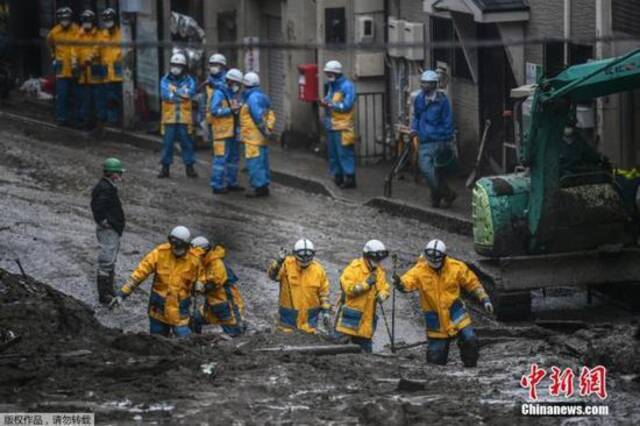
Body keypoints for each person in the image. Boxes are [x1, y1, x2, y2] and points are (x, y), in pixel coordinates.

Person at [393, 239, 493, 367]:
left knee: (470, 340)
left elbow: (472, 283)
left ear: (444, 257)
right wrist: (399, 283)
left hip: (456, 313)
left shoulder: (456, 267)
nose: (433, 263)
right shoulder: (419, 270)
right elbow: (407, 282)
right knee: (435, 360)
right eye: (430, 260)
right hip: (435, 318)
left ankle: (470, 366)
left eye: (436, 261)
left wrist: (484, 299)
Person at [110, 226, 201, 337]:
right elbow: (139, 273)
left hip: (179, 313)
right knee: (157, 342)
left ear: (186, 246)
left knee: (184, 341)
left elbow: (204, 278)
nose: (176, 251)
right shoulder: (160, 253)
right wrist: (123, 293)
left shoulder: (195, 260)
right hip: (158, 310)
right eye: (174, 247)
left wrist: (202, 285)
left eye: (179, 249)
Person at [334, 240, 390, 352]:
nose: (377, 262)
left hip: (366, 323)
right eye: (375, 259)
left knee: (366, 354)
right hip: (348, 322)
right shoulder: (353, 269)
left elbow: (385, 288)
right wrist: (366, 284)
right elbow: (349, 289)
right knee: (336, 351)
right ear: (367, 256)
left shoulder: (379, 272)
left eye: (379, 260)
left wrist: (382, 295)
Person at [412, 70, 456, 208]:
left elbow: (448, 121)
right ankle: (446, 194)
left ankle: (436, 197)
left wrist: (448, 138)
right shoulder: (419, 99)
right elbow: (417, 116)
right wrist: (414, 129)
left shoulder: (442, 101)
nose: (424, 85)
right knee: (426, 169)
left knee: (438, 172)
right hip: (424, 140)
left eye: (427, 83)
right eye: (422, 82)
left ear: (434, 85)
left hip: (440, 140)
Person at [267, 239, 332, 334]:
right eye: (302, 256)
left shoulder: (319, 270)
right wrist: (279, 261)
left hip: (310, 322)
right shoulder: (286, 265)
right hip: (288, 320)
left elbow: (324, 294)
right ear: (294, 254)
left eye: (308, 256)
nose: (305, 259)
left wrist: (326, 312)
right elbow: (272, 275)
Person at [191, 236, 247, 336]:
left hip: (227, 306)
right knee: (194, 320)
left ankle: (241, 326)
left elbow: (213, 284)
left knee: (236, 333)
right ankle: (195, 341)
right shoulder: (202, 264)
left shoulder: (217, 264)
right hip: (211, 306)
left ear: (204, 251)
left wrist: (201, 287)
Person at [90, 157, 125, 305]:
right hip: (109, 229)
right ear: (113, 174)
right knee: (106, 260)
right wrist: (103, 220)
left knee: (110, 259)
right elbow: (97, 206)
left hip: (112, 228)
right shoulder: (105, 188)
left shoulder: (107, 186)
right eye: (119, 173)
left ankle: (109, 290)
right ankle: (104, 295)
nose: (121, 176)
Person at [158, 52, 198, 179]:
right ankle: (165, 168)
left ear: (183, 67)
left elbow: (190, 94)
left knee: (187, 144)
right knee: (167, 144)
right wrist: (181, 94)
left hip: (184, 118)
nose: (175, 68)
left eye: (178, 66)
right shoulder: (164, 80)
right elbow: (165, 96)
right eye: (173, 65)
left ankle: (190, 168)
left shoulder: (190, 80)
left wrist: (174, 93)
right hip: (169, 118)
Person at [320, 60, 357, 189]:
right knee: (333, 154)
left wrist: (330, 105)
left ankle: (349, 178)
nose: (328, 75)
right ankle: (338, 176)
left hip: (343, 126)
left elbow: (347, 105)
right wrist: (324, 101)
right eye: (327, 73)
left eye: (330, 73)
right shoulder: (332, 85)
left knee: (344, 153)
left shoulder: (348, 86)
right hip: (332, 125)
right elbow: (329, 99)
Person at [240, 71, 275, 197]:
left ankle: (259, 188)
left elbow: (257, 117)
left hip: (253, 137)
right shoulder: (262, 96)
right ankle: (264, 186)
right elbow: (271, 113)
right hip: (261, 138)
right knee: (262, 162)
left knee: (254, 163)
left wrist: (263, 129)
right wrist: (268, 129)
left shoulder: (251, 98)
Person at [209, 68, 245, 193]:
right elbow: (214, 111)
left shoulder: (232, 93)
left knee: (233, 158)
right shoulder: (219, 93)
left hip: (233, 131)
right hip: (221, 132)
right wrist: (230, 110)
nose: (238, 87)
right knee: (220, 159)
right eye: (236, 84)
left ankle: (232, 182)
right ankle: (216, 185)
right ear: (230, 81)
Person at [71, 9, 103, 130]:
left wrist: (88, 59)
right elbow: (74, 50)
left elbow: (97, 48)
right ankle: (85, 120)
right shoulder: (79, 35)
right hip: (83, 71)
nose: (87, 24)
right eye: (85, 21)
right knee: (84, 97)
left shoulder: (98, 35)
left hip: (94, 70)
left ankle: (98, 121)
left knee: (97, 97)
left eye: (89, 21)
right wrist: (74, 64)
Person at [47, 7, 79, 126]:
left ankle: (77, 119)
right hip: (61, 67)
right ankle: (62, 118)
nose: (64, 20)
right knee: (62, 94)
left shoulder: (76, 30)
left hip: (74, 66)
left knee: (76, 94)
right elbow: (49, 43)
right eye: (62, 18)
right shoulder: (54, 32)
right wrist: (53, 56)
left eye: (67, 18)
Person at [96, 8, 123, 127]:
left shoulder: (122, 34)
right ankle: (112, 120)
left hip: (119, 70)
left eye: (110, 20)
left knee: (118, 96)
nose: (108, 22)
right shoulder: (102, 36)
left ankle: (118, 119)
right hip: (106, 70)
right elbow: (95, 50)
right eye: (106, 20)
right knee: (109, 97)